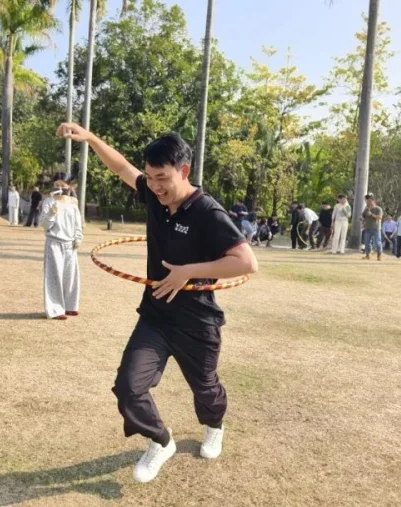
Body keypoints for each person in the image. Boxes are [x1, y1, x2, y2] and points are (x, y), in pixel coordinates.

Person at [57, 122, 258, 484]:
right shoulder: (154, 196)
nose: (154, 185)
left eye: (162, 177)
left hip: (197, 322)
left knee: (205, 388)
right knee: (128, 388)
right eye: (149, 177)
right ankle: (160, 441)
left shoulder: (207, 212)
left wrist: (189, 272)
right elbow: (122, 167)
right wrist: (90, 138)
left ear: (184, 171)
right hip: (156, 317)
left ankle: (214, 426)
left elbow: (246, 262)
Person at [41, 173, 83, 320]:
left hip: (70, 245)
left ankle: (71, 306)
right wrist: (51, 213)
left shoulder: (73, 203)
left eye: (62, 185)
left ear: (68, 187)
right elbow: (44, 225)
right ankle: (55, 309)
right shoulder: (48, 202)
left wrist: (78, 238)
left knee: (70, 276)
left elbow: (77, 223)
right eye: (56, 185)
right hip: (54, 243)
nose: (59, 188)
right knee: (54, 277)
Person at [361, 193, 383, 261]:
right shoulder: (366, 209)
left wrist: (371, 214)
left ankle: (379, 255)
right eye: (368, 201)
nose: (369, 202)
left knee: (378, 242)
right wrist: (362, 219)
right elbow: (363, 216)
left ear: (373, 201)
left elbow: (379, 217)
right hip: (367, 228)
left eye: (370, 201)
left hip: (376, 228)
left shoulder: (378, 209)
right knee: (367, 243)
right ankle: (367, 255)